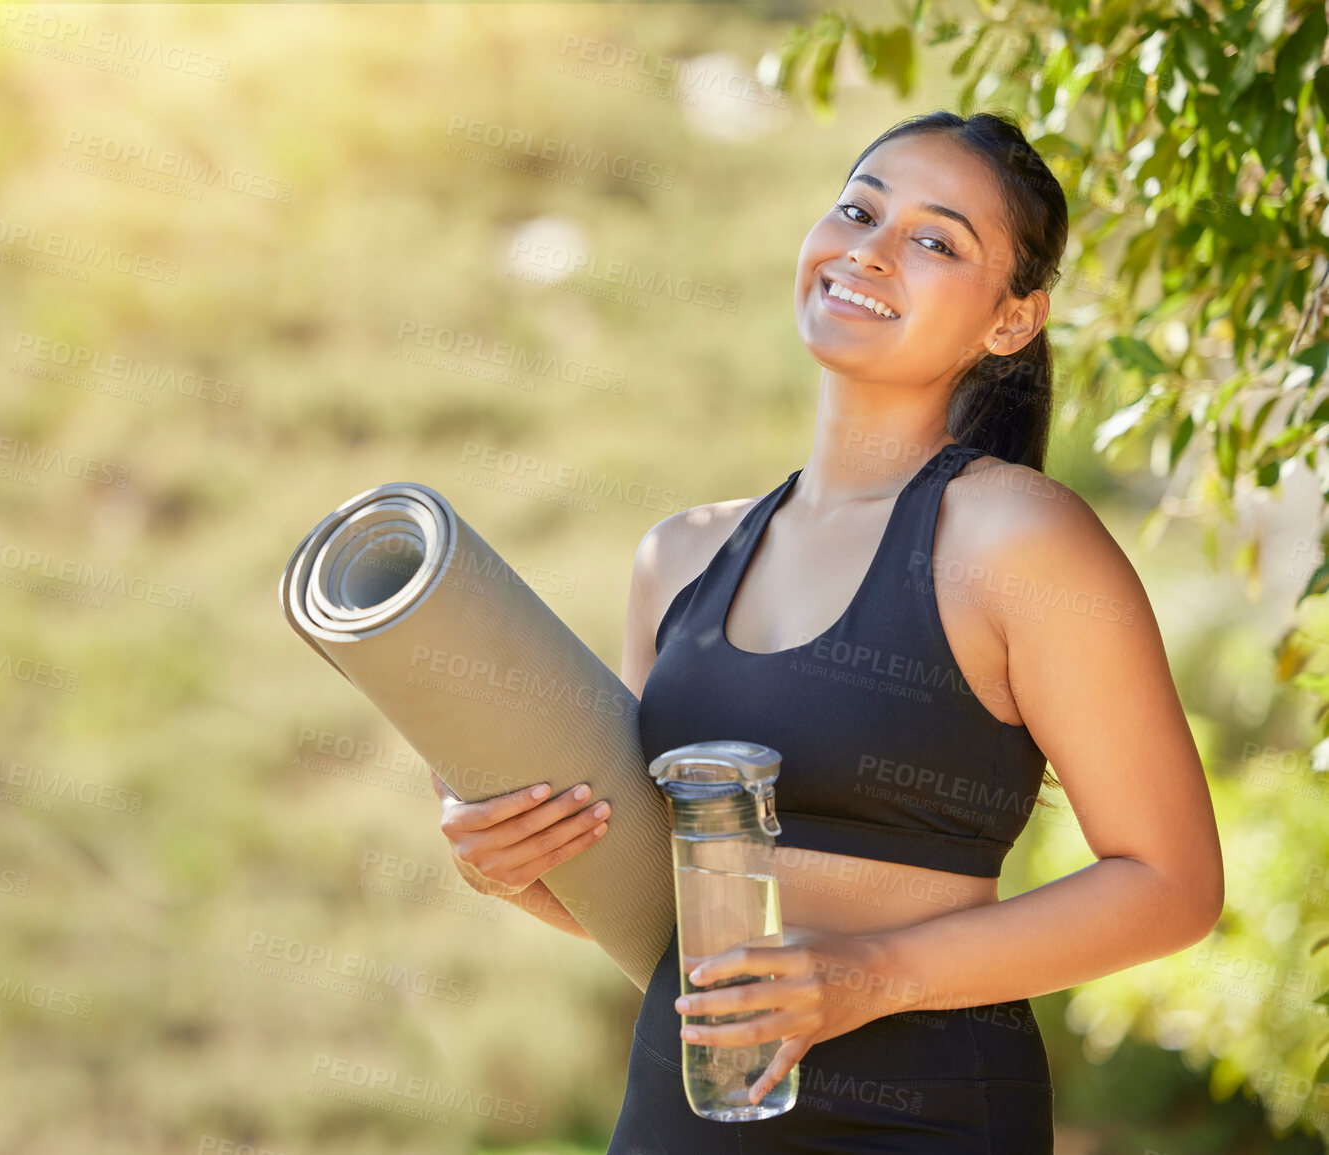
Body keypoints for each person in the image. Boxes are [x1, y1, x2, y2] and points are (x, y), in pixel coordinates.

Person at [432, 109, 1224, 1152]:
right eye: (859, 209)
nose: (870, 248)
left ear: (1012, 321)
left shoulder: (1020, 540)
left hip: (930, 1117)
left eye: (936, 240)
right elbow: (649, 917)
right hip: (691, 1110)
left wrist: (866, 979)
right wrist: (513, 867)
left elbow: (1173, 886)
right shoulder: (677, 558)